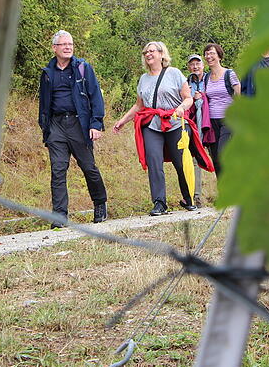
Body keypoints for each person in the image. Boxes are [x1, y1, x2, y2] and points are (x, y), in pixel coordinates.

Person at [113, 41, 212, 216]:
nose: (148, 54)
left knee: (180, 161)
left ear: (161, 54)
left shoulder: (174, 73)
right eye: (146, 52)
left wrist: (181, 108)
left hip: (174, 122)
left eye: (152, 51)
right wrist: (123, 120)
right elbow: (139, 106)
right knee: (154, 160)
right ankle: (159, 203)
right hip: (152, 124)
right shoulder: (143, 79)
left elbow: (188, 98)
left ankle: (188, 198)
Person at [38, 30, 108, 227]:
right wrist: (45, 127)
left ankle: (100, 203)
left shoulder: (83, 68)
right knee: (58, 170)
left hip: (79, 124)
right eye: (64, 44)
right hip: (56, 126)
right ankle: (60, 216)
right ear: (54, 48)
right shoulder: (47, 73)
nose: (68, 47)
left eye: (70, 44)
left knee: (88, 167)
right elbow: (43, 103)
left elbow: (95, 97)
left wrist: (96, 123)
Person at [202, 43, 241, 175]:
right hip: (212, 122)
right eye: (206, 54)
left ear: (219, 56)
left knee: (222, 152)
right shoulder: (206, 77)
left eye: (212, 53)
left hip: (228, 120)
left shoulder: (229, 74)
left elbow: (239, 94)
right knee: (216, 159)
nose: (209, 56)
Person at [186, 54, 209, 206]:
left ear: (203, 65)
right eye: (192, 64)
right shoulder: (186, 82)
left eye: (197, 63)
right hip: (194, 125)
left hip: (210, 123)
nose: (195, 66)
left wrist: (202, 96)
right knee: (194, 159)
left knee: (218, 156)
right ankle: (196, 197)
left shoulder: (210, 79)